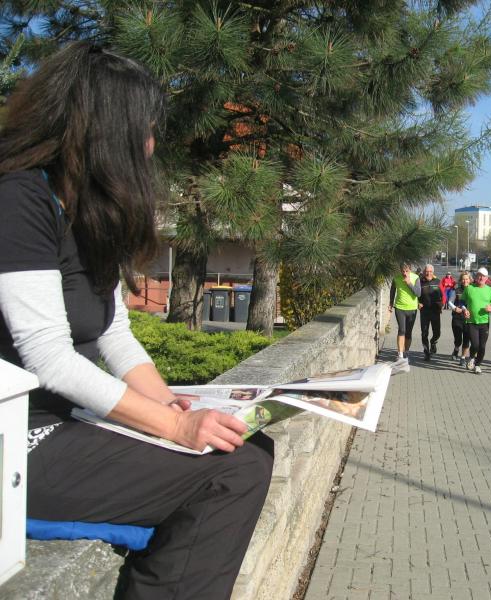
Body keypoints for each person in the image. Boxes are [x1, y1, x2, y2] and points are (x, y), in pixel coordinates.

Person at [0, 42, 273, 600]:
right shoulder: (19, 199)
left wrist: (173, 405)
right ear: (107, 131)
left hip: (62, 422)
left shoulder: (86, 211)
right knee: (231, 472)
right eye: (145, 131)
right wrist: (174, 429)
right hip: (17, 441)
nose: (150, 147)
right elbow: (48, 358)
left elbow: (113, 332)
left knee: (245, 448)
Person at [460, 267, 491, 375]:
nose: (481, 278)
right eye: (479, 275)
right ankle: (472, 357)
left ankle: (478, 365)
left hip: (484, 322)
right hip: (471, 322)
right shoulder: (469, 288)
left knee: (482, 346)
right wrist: (464, 309)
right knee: (475, 344)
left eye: (483, 276)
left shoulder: (490, 290)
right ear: (476, 277)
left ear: (486, 278)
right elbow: (462, 302)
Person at [388, 263, 421, 365]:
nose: (404, 273)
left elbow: (418, 293)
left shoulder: (416, 278)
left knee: (408, 332)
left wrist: (409, 283)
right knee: (402, 330)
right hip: (400, 307)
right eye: (403, 271)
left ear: (410, 270)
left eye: (407, 271)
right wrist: (390, 303)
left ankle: (406, 352)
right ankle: (400, 354)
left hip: (412, 308)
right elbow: (392, 291)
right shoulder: (396, 278)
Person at [417, 264, 443, 360]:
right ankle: (426, 352)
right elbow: (415, 295)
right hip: (424, 311)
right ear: (424, 272)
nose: (428, 273)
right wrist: (417, 303)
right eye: (427, 271)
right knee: (424, 333)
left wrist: (441, 304)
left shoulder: (438, 282)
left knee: (437, 333)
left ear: (433, 272)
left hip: (435, 311)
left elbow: (443, 295)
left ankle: (433, 342)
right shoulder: (420, 282)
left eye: (430, 271)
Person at [448, 271, 472, 364]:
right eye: (463, 279)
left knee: (466, 339)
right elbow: (450, 302)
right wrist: (455, 308)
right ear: (461, 280)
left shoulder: (473, 290)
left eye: (467, 279)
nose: (465, 281)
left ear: (470, 280)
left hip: (468, 318)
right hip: (457, 318)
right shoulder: (456, 290)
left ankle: (463, 357)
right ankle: (456, 349)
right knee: (458, 339)